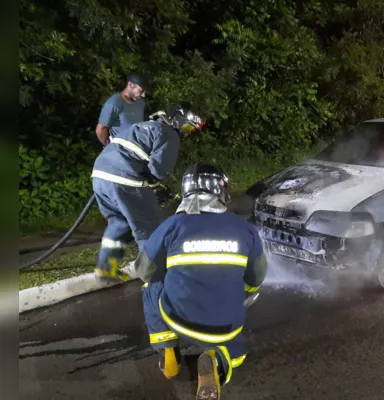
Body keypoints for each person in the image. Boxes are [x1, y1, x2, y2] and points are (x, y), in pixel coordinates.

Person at [132, 163, 267, 400]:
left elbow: (144, 272)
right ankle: (216, 361)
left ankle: (168, 355)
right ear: (220, 191)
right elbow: (257, 277)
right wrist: (240, 293)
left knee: (150, 289)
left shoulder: (172, 226)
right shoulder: (243, 228)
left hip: (180, 319)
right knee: (233, 353)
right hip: (227, 326)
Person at [91, 106, 204, 282]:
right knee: (148, 227)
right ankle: (156, 275)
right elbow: (159, 169)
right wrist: (159, 186)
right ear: (178, 120)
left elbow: (141, 162)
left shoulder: (146, 126)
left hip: (99, 175)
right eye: (188, 127)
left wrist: (153, 185)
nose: (186, 133)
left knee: (119, 223)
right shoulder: (169, 133)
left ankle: (106, 270)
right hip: (124, 179)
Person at [95, 73, 149, 146]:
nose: (143, 95)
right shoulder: (113, 103)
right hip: (120, 151)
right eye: (141, 91)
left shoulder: (140, 103)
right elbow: (100, 130)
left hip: (138, 149)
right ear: (130, 85)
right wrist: (110, 147)